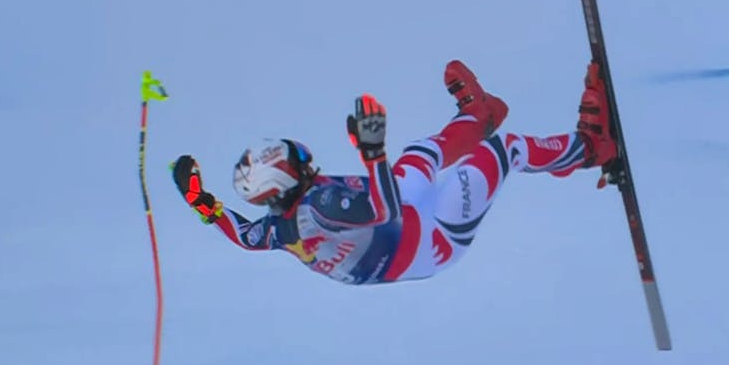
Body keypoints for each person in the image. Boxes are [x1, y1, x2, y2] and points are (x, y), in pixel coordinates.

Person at [172, 60, 617, 285]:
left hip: (406, 220)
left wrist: (198, 201)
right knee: (506, 150)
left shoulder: (281, 224)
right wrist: (372, 151)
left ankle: (478, 116)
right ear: (285, 178)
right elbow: (384, 210)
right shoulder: (320, 205)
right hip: (435, 235)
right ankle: (591, 148)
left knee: (420, 155)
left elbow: (244, 237)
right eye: (294, 159)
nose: (305, 159)